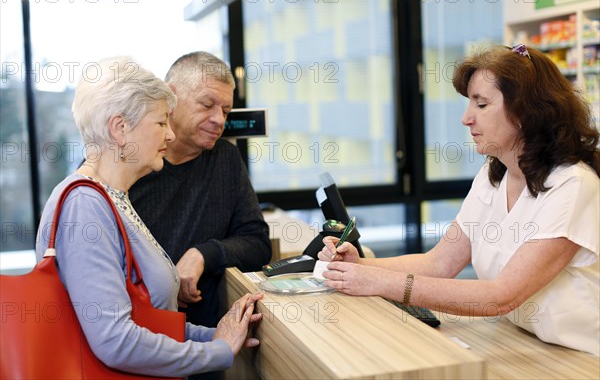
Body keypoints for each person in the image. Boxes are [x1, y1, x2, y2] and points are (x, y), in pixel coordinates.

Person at [319, 44, 600, 356]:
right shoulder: (493, 176)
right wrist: (364, 266)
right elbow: (439, 263)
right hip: (522, 340)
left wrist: (378, 282)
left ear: (526, 112)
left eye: (481, 105)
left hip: (581, 357)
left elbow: (501, 296)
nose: (467, 118)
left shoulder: (572, 185)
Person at [35, 57, 264, 377]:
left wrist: (214, 334)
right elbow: (116, 341)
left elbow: (148, 319)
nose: (169, 135)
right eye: (160, 123)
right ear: (120, 128)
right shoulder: (85, 206)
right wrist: (217, 350)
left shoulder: (115, 198)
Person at [129, 52, 271, 330]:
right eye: (207, 105)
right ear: (170, 98)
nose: (219, 119)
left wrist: (202, 254)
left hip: (206, 335)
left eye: (226, 111)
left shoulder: (225, 160)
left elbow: (257, 242)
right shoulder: (128, 161)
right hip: (135, 331)